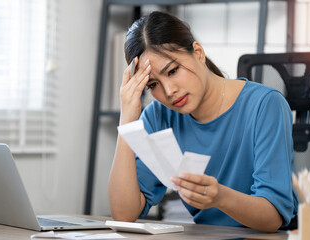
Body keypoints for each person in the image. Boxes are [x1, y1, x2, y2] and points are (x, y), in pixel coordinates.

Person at [107, 11, 298, 233]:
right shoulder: (158, 116)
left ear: (198, 53)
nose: (169, 91)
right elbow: (123, 214)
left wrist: (220, 197)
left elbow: (272, 217)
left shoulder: (265, 105)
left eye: (173, 71)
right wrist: (127, 120)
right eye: (152, 85)